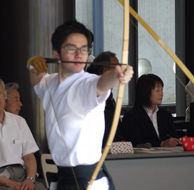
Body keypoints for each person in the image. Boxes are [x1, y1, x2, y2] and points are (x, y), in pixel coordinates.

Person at [27, 20, 133, 190]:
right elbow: (37, 79)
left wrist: (117, 74)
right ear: (56, 52)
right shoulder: (50, 83)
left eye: (84, 49)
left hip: (89, 182)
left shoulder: (87, 83)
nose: (79, 55)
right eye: (71, 49)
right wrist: (32, 64)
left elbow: (101, 83)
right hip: (62, 178)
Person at [121, 74, 180, 147]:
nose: (161, 94)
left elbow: (173, 136)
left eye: (162, 90)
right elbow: (135, 143)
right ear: (145, 92)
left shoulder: (165, 115)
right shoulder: (132, 116)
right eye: (157, 90)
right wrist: (161, 144)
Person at [87, 51, 125, 146]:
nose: (120, 73)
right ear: (105, 71)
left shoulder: (110, 94)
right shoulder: (92, 88)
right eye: (117, 69)